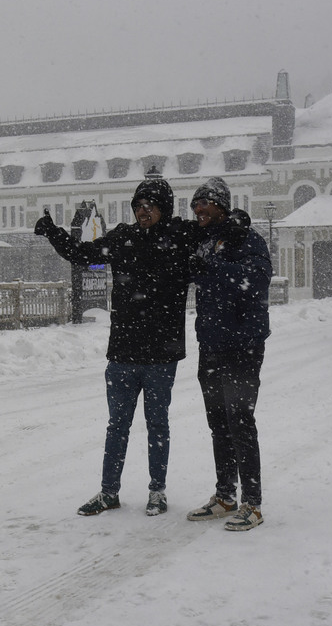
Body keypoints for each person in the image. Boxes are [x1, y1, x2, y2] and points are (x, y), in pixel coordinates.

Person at [34, 177, 198, 517]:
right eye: (138, 206)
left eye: (150, 205)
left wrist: (235, 220)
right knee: (117, 426)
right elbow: (82, 254)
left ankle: (157, 492)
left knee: (157, 425)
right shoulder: (124, 238)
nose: (143, 211)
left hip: (161, 355)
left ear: (165, 208)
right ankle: (109, 492)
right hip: (123, 353)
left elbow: (217, 231)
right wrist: (53, 232)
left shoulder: (180, 237)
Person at [185, 178, 272, 532]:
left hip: (242, 344)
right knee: (218, 422)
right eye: (195, 204)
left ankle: (252, 503)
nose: (198, 209)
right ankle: (225, 496)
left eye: (204, 202)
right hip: (211, 344)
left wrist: (213, 267)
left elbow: (257, 279)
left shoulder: (247, 238)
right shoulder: (204, 240)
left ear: (221, 205)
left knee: (240, 420)